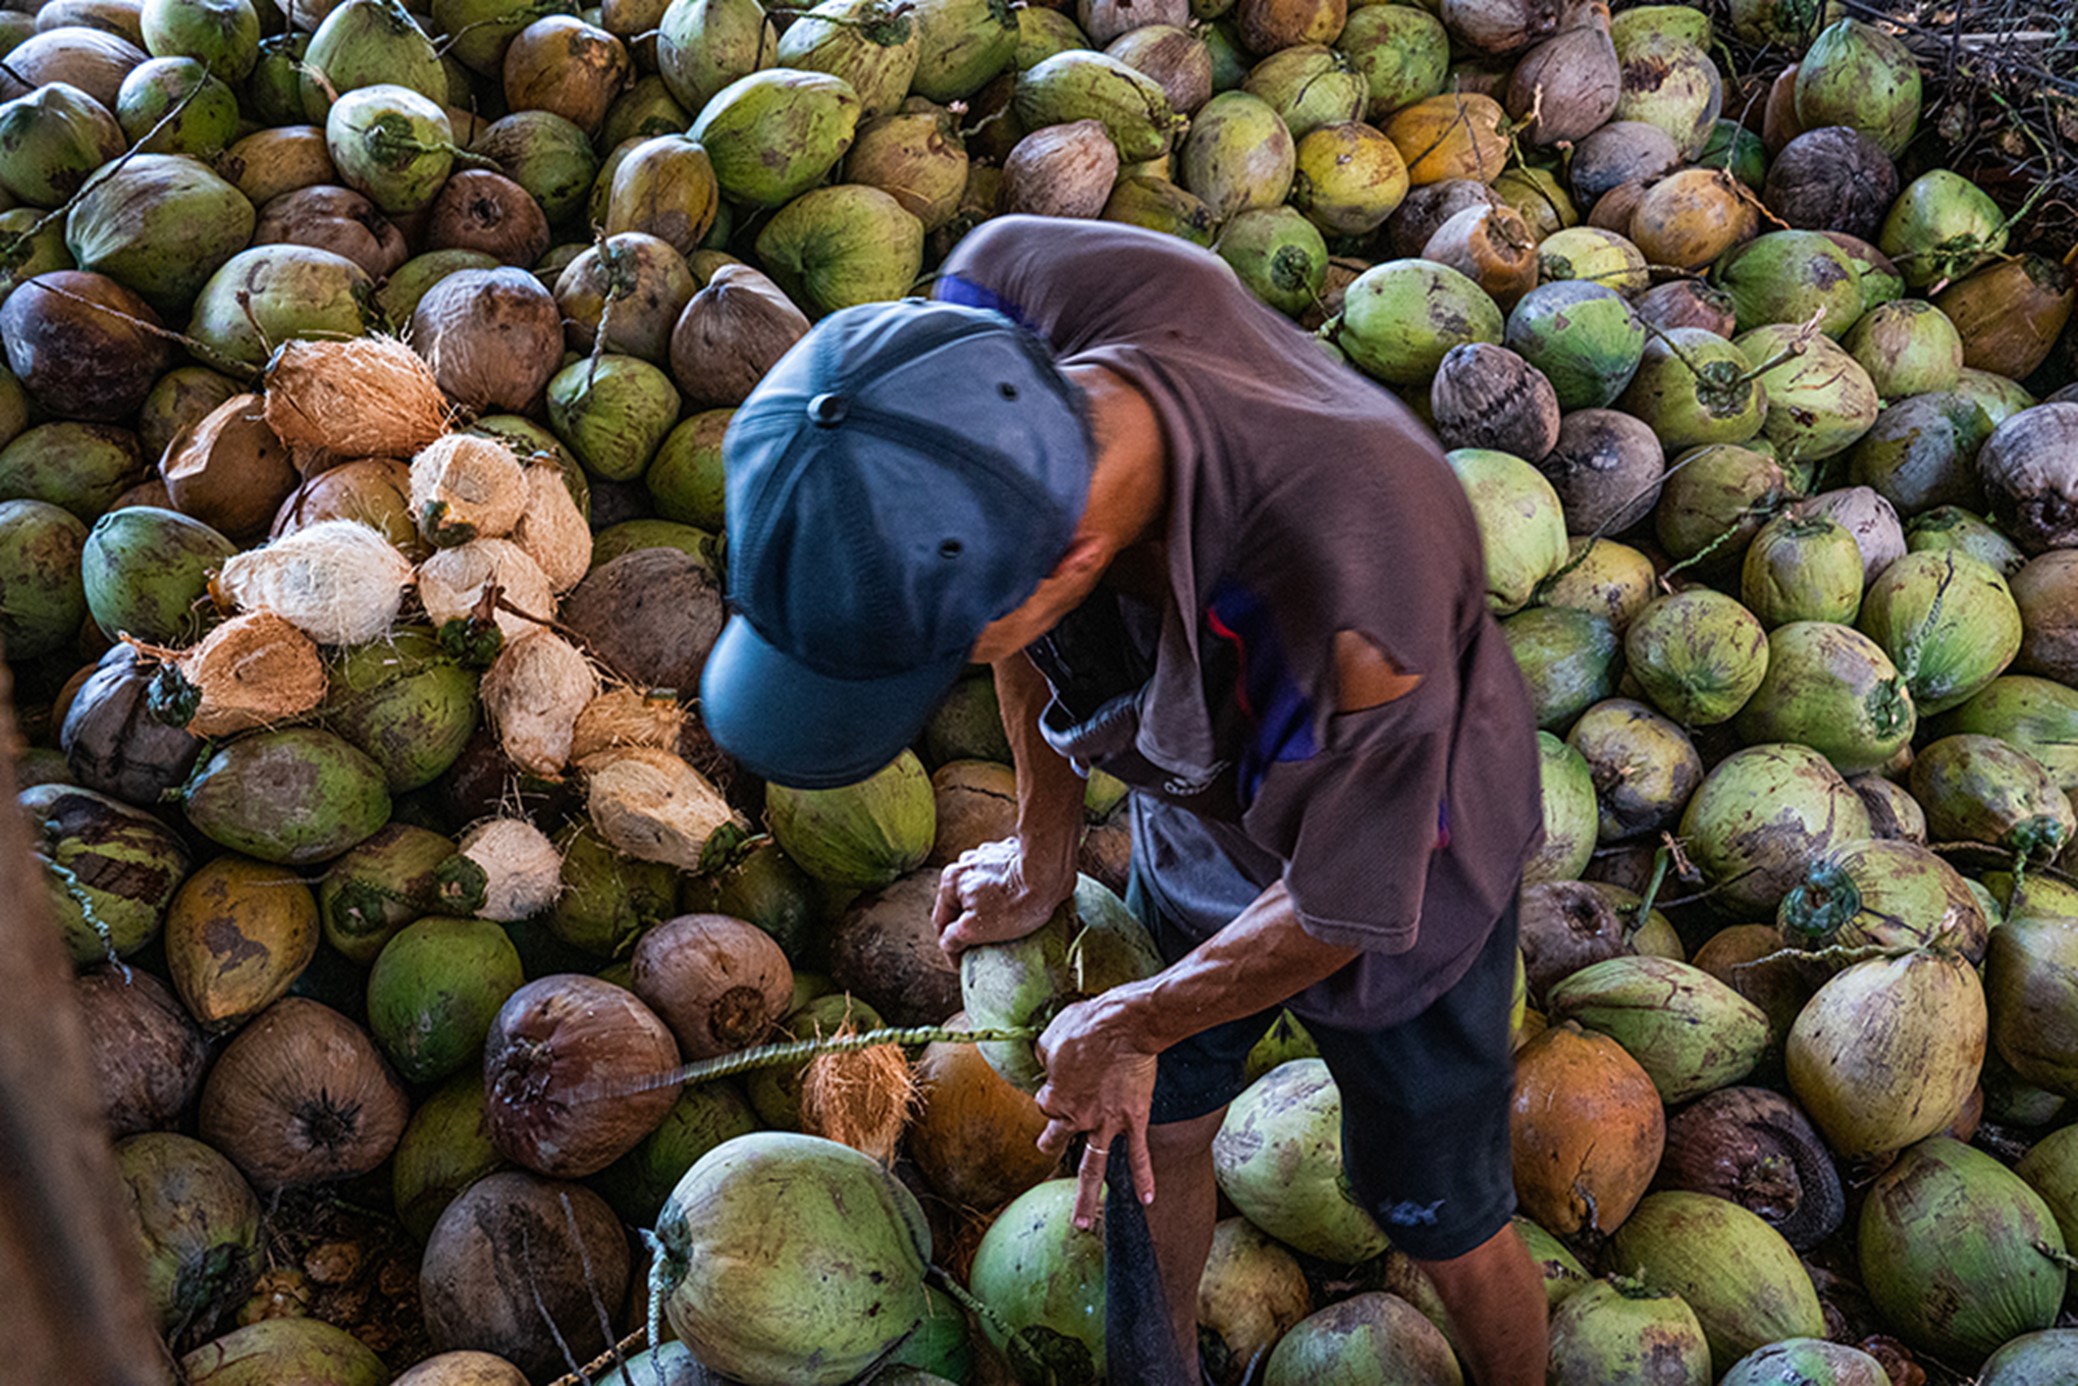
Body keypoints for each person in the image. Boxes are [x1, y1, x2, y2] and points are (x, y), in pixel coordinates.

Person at [700, 216, 1549, 1384]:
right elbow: (1020, 626)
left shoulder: (1350, 581)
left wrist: (1133, 1018)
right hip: (1195, 798)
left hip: (1405, 863)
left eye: (941, 646)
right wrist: (1041, 840)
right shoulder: (992, 319)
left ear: (1067, 558)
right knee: (1153, 1130)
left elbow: (1345, 902)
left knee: (1433, 1211)